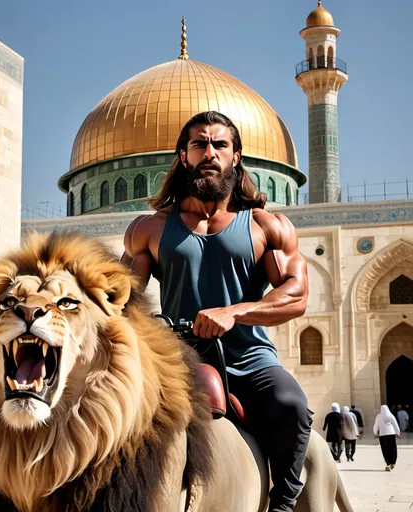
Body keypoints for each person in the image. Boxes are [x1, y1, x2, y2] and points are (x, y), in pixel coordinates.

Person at [121, 111, 311, 512]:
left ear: (236, 156)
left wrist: (235, 313)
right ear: (183, 156)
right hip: (175, 363)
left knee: (291, 404)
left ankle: (283, 503)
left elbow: (296, 294)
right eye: (199, 144)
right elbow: (122, 297)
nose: (210, 152)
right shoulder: (150, 229)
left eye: (220, 145)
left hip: (249, 359)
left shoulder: (264, 225)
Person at [373, 405, 401, 471]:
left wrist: (375, 433)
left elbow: (376, 426)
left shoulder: (378, 416)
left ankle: (388, 464)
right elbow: (395, 424)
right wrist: (398, 433)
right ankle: (393, 462)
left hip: (382, 435)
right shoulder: (390, 415)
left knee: (385, 449)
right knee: (392, 448)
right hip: (391, 434)